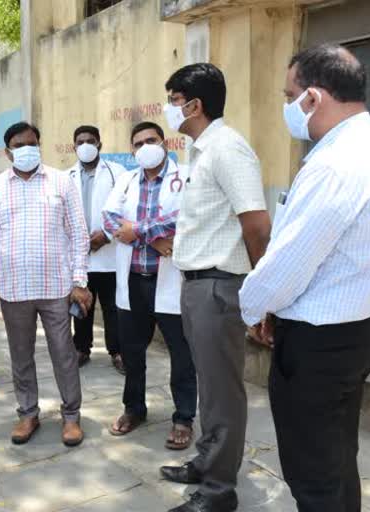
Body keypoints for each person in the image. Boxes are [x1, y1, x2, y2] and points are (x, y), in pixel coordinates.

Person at [240, 45, 370, 512]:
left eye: (289, 94)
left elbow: (289, 261)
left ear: (313, 98)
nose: (286, 106)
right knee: (339, 458)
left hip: (317, 344)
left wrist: (255, 307)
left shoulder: (334, 164)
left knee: (312, 473)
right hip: (360, 331)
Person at [158, 64, 271, 512]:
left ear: (194, 105)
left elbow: (257, 226)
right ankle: (207, 463)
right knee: (209, 383)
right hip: (197, 285)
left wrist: (265, 298)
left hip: (219, 287)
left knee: (223, 391)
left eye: (172, 100)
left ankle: (218, 492)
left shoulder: (227, 149)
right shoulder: (203, 151)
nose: (169, 109)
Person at [0, 121, 92, 447]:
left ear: (39, 145)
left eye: (31, 143)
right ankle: (28, 413)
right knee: (20, 355)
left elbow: (79, 235)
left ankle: (71, 416)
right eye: (18, 144)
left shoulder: (61, 182)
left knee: (64, 354)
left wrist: (79, 281)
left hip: (56, 286)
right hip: (14, 289)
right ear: (7, 150)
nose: (25, 149)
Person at [102, 121, 197, 451]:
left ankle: (184, 417)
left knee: (182, 353)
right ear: (132, 150)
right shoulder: (127, 180)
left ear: (165, 143)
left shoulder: (185, 176)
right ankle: (134, 409)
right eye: (138, 143)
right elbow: (110, 218)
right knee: (132, 351)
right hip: (134, 279)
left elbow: (185, 218)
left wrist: (140, 232)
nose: (145, 147)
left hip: (170, 279)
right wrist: (155, 239)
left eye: (151, 140)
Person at [65, 125, 125, 373]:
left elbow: (126, 208)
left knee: (113, 308)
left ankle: (117, 351)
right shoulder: (64, 177)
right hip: (80, 256)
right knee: (81, 306)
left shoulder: (117, 173)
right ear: (74, 146)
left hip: (109, 254)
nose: (86, 145)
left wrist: (108, 234)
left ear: (100, 144)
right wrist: (79, 241)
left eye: (91, 140)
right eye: (80, 141)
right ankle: (81, 348)